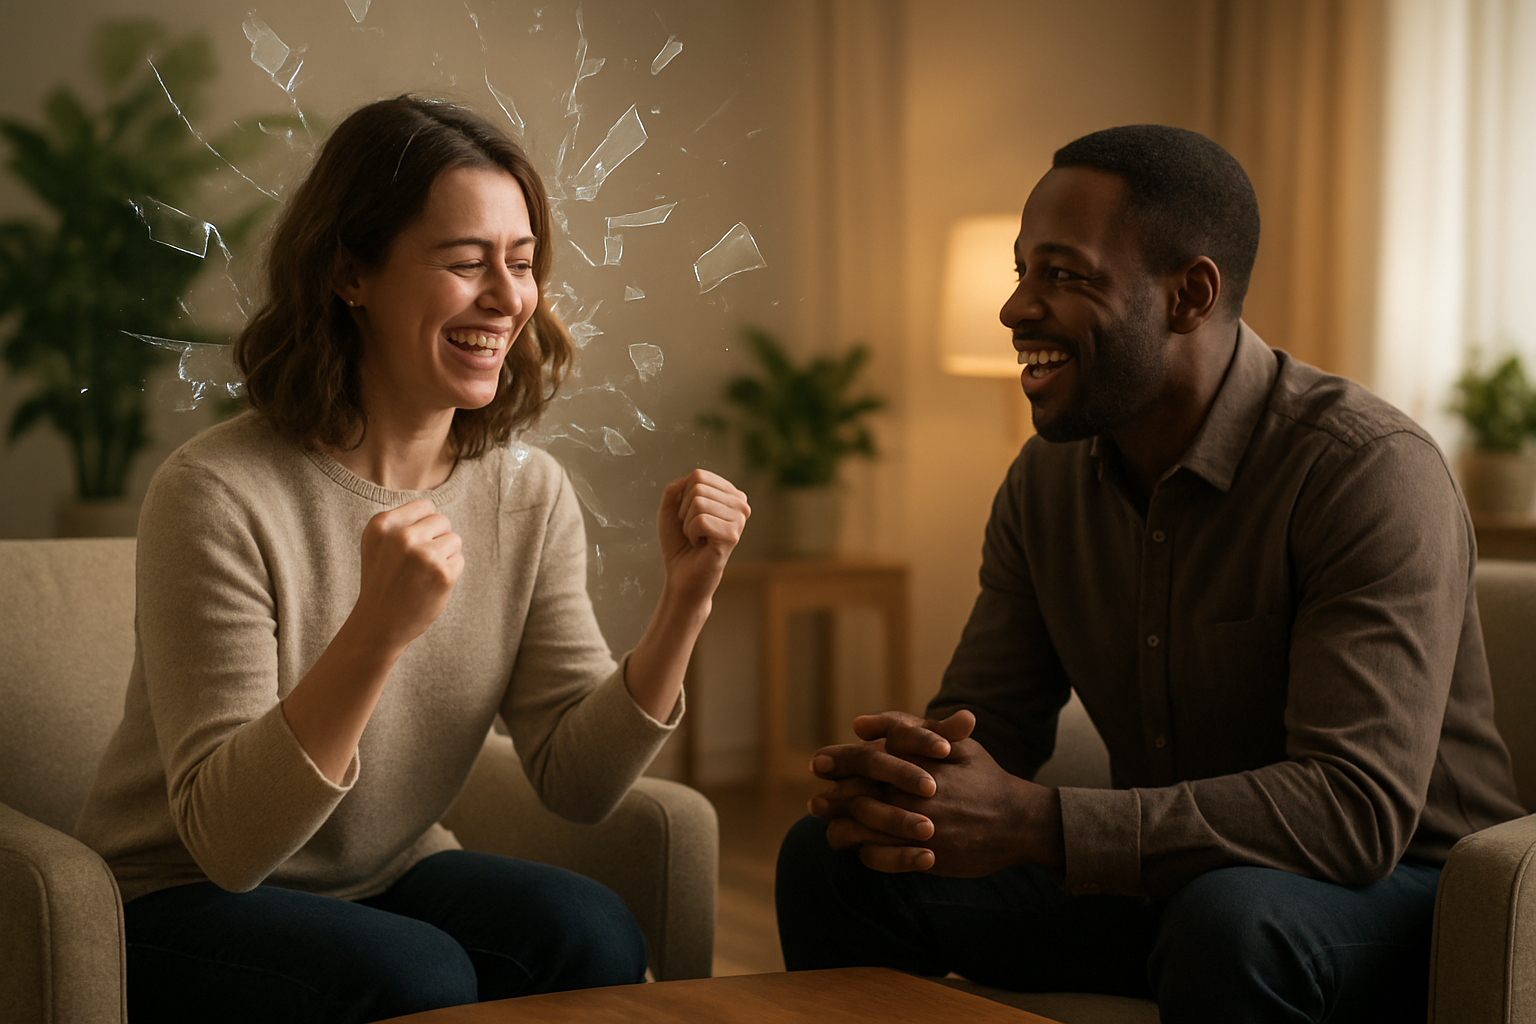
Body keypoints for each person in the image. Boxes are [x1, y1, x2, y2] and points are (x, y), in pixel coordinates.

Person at [774, 125, 1525, 1023]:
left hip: (1410, 898)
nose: (1016, 308)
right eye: (1021, 273)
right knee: (831, 857)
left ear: (1189, 296)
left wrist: (1040, 825)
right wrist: (914, 787)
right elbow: (993, 722)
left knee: (1232, 920)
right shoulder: (1045, 483)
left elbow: (1351, 810)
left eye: (1063, 275)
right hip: (1175, 887)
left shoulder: (1366, 471)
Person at [74, 95, 750, 1024]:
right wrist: (374, 632)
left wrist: (685, 602)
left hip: (384, 874)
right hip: (180, 895)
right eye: (466, 262)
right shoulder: (217, 491)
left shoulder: (526, 491)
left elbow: (577, 780)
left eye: (521, 264)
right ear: (350, 271)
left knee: (594, 931)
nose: (507, 298)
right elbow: (230, 845)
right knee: (417, 976)